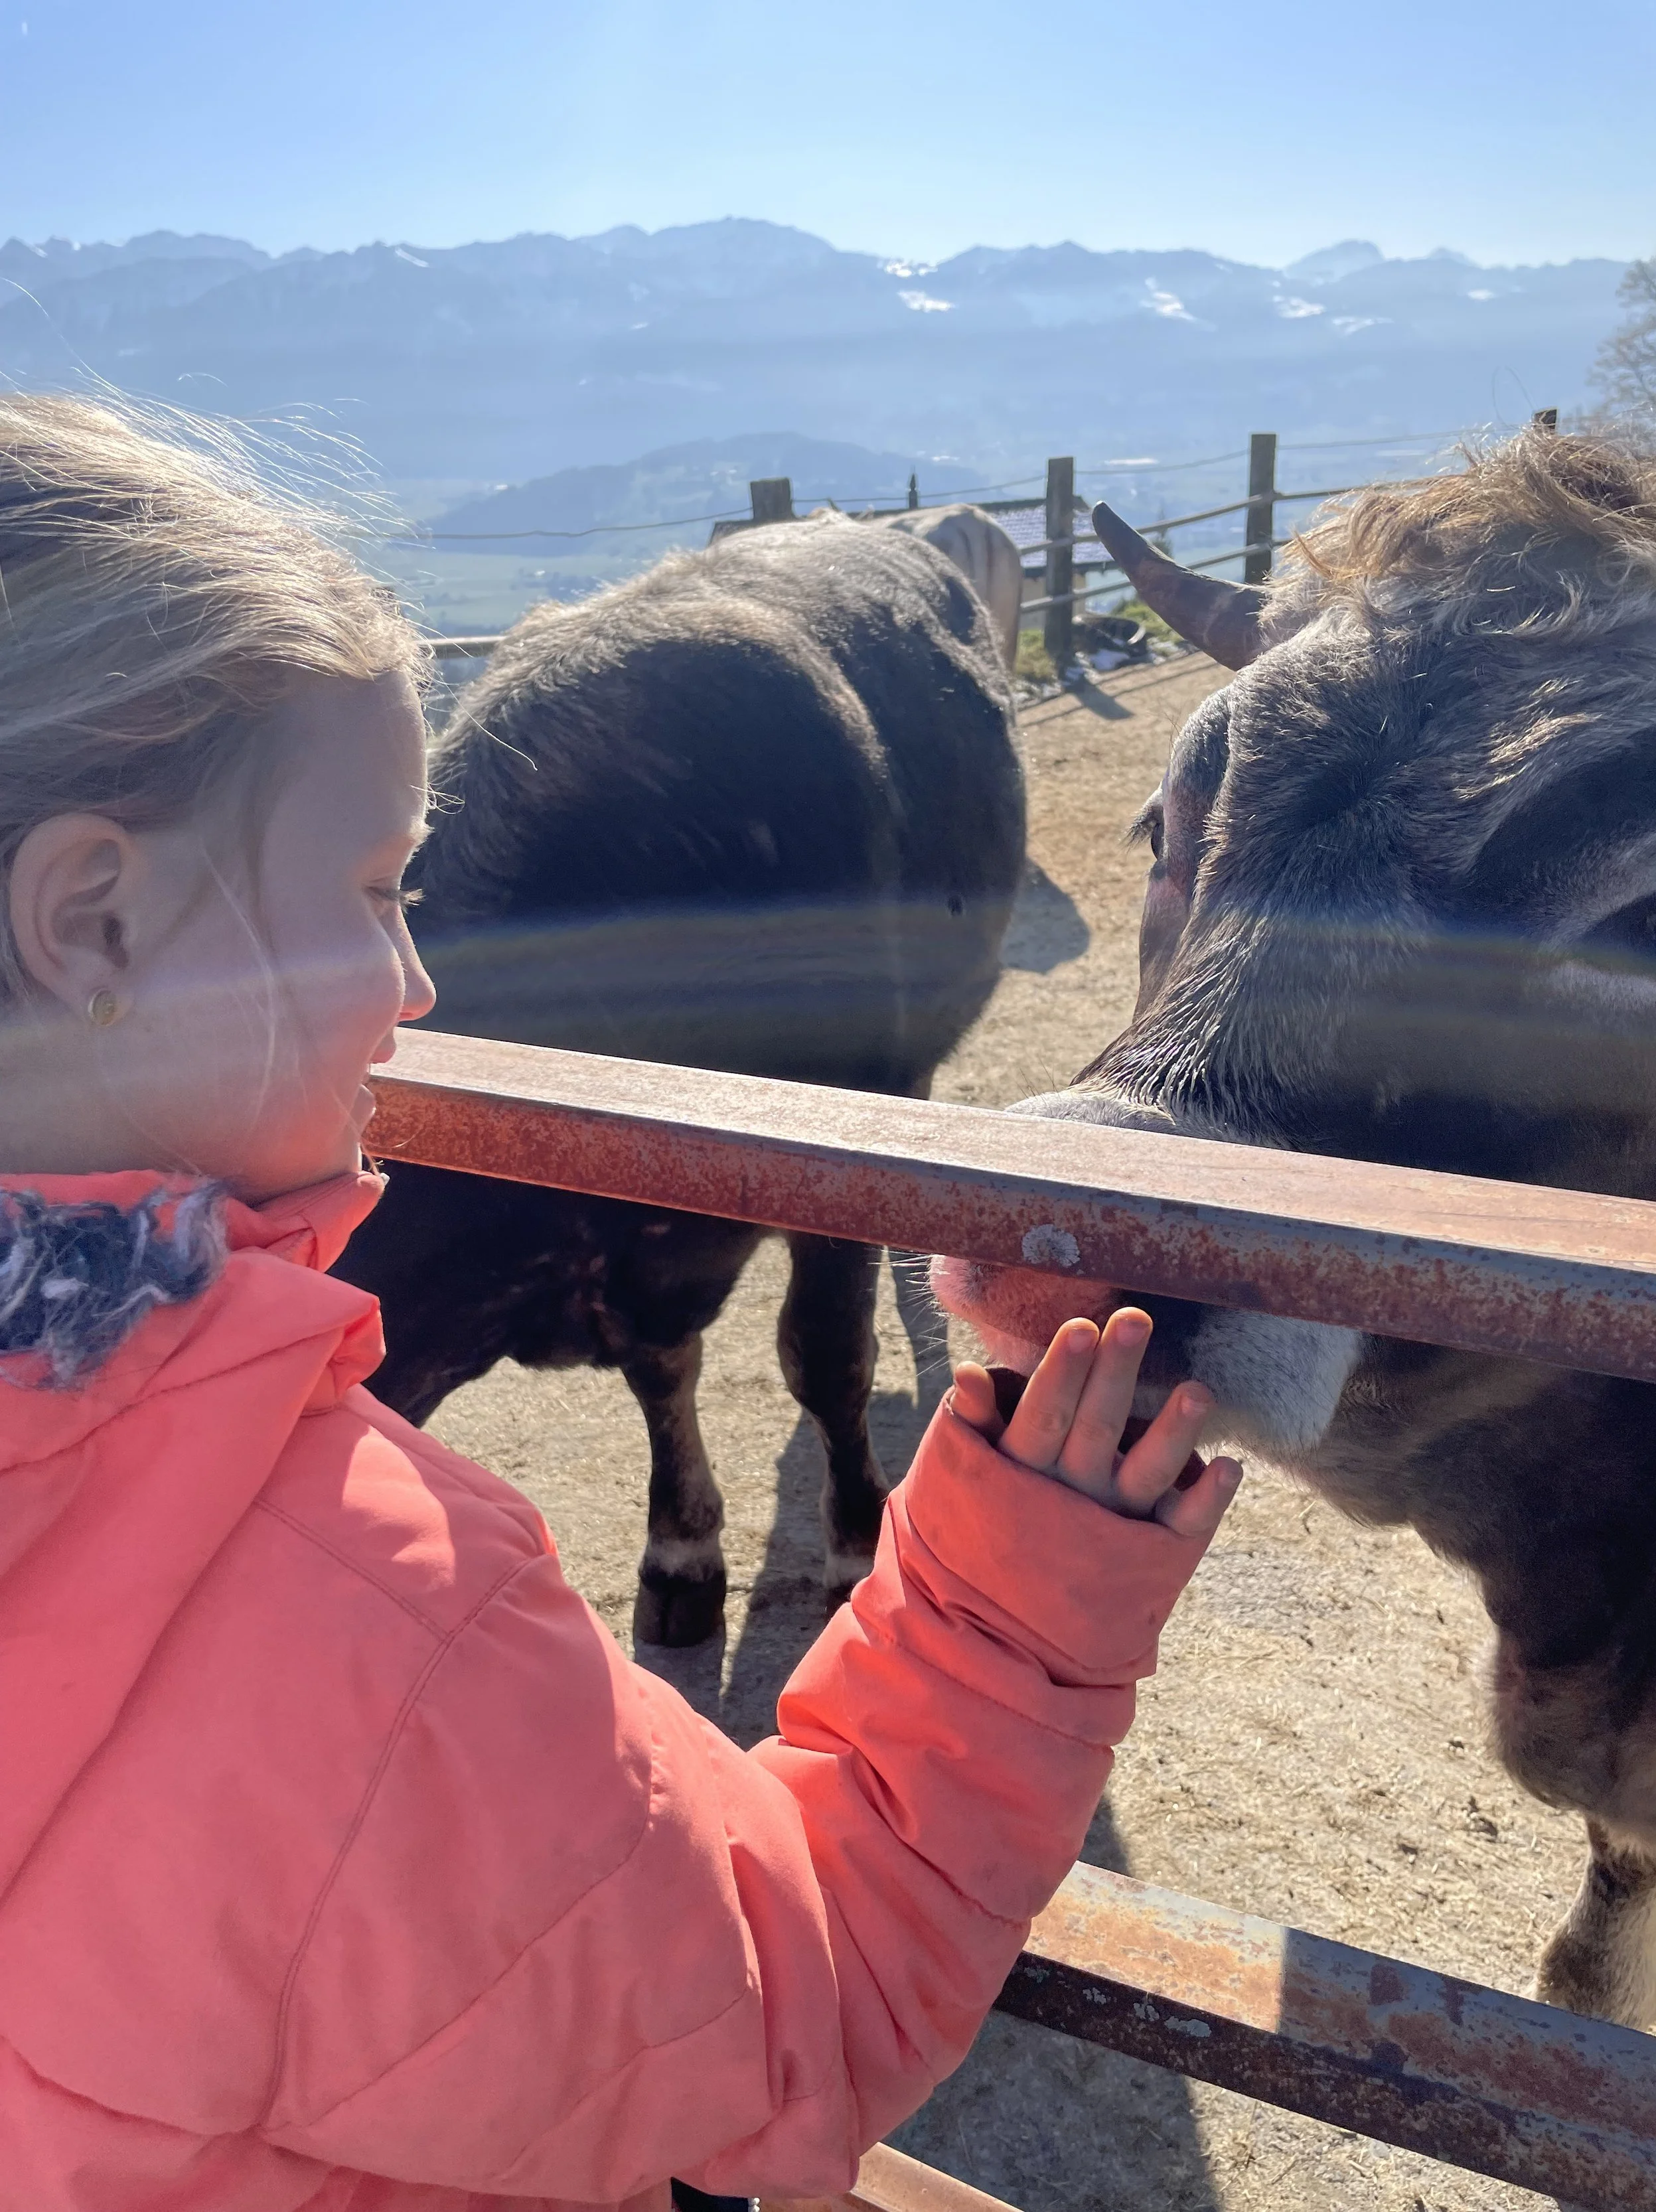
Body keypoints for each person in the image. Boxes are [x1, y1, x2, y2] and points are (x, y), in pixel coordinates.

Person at [0, 392, 1242, 2212]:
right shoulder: (370, 1636)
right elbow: (791, 2019)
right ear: (91, 921)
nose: (424, 979)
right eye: (374, 891)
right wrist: (1019, 1610)